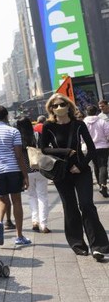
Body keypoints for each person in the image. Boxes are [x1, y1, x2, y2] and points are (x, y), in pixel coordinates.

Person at [41, 94, 109, 261]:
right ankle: (78, 244)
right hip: (61, 172)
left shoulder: (79, 124)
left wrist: (80, 165)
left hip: (81, 170)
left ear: (68, 106)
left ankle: (98, 246)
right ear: (51, 109)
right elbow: (43, 149)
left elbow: (92, 150)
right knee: (69, 207)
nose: (59, 108)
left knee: (86, 204)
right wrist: (65, 152)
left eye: (62, 104)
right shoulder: (48, 126)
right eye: (55, 105)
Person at [0, 105, 31, 246]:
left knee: (2, 201)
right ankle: (19, 236)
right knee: (16, 201)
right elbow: (18, 155)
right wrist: (25, 175)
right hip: (13, 170)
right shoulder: (13, 131)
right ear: (6, 116)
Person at [17, 116, 50, 233]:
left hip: (26, 172)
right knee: (42, 196)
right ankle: (43, 224)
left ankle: (35, 221)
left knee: (31, 196)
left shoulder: (17, 138)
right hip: (40, 169)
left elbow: (18, 156)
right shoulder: (37, 135)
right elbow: (45, 150)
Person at [85, 105, 109, 198]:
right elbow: (108, 134)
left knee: (95, 165)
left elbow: (82, 136)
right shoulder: (102, 121)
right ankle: (103, 184)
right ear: (96, 111)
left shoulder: (84, 122)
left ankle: (99, 184)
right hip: (103, 146)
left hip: (91, 147)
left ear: (87, 112)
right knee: (103, 165)